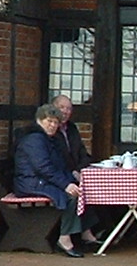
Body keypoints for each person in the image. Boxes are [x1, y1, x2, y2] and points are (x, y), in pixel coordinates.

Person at [13, 104, 93, 257]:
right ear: (39, 120)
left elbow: (57, 165)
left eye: (55, 122)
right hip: (30, 183)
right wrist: (65, 184)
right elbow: (43, 168)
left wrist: (71, 178)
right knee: (71, 196)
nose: (52, 125)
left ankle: (83, 233)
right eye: (49, 121)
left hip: (39, 180)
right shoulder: (34, 139)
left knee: (79, 189)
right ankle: (65, 238)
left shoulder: (47, 139)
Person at [51, 93, 93, 175]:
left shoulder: (72, 128)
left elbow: (82, 153)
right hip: (59, 176)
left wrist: (78, 170)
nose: (65, 112)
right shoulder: (50, 130)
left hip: (76, 173)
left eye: (69, 109)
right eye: (61, 107)